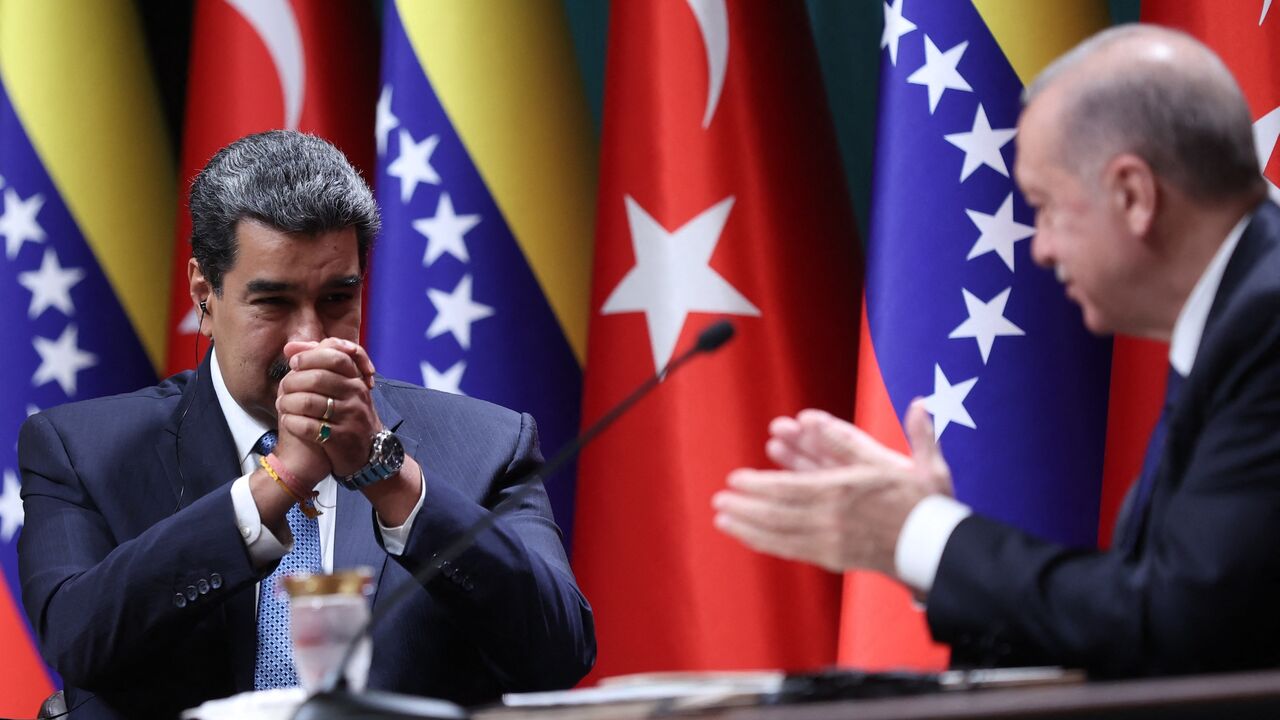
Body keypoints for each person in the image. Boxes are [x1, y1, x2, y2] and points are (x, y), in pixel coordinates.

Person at [713, 24, 1280, 677]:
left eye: (1044, 207)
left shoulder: (1265, 323)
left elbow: (1180, 626)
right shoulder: (1239, 315)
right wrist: (927, 534)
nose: (1038, 248)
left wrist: (925, 536)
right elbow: (1154, 620)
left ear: (1133, 195)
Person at [18, 130, 595, 718]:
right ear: (204, 294)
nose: (309, 339)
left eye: (338, 299)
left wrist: (387, 476)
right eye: (272, 302)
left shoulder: (485, 446)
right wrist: (280, 478)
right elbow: (78, 642)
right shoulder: (81, 449)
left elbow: (558, 653)